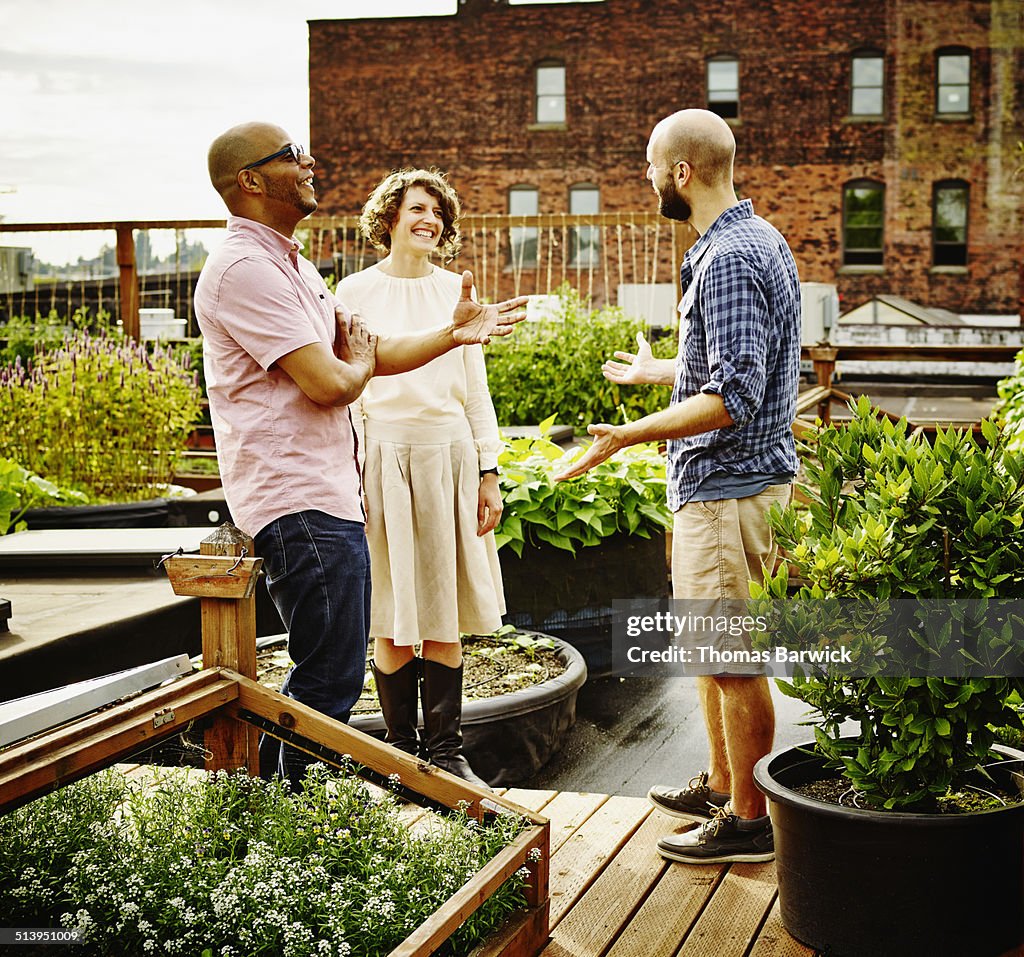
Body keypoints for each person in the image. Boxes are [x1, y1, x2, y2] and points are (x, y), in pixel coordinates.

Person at [193, 122, 526, 788]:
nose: (309, 159)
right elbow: (331, 380)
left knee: (337, 666)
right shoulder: (246, 269)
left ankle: (319, 805)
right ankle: (292, 818)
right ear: (252, 181)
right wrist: (365, 366)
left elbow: (370, 359)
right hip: (301, 497)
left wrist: (450, 335)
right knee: (332, 669)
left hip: (336, 489)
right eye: (292, 154)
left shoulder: (294, 266)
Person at [556, 108, 801, 863]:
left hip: (727, 488)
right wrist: (661, 372)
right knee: (710, 647)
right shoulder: (752, 239)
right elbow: (744, 358)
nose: (647, 177)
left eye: (652, 165)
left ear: (682, 173)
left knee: (731, 656)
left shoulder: (726, 256)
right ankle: (727, 782)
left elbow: (734, 395)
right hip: (728, 486)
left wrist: (628, 432)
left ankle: (750, 821)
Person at [336, 168, 504, 788]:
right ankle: (400, 754)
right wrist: (349, 473)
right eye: (416, 208)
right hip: (381, 459)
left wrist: (489, 473)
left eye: (438, 211)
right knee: (390, 607)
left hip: (449, 459)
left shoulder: (455, 294)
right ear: (389, 219)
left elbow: (476, 392)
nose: (429, 219)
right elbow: (349, 390)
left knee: (442, 607)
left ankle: (446, 752)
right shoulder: (352, 292)